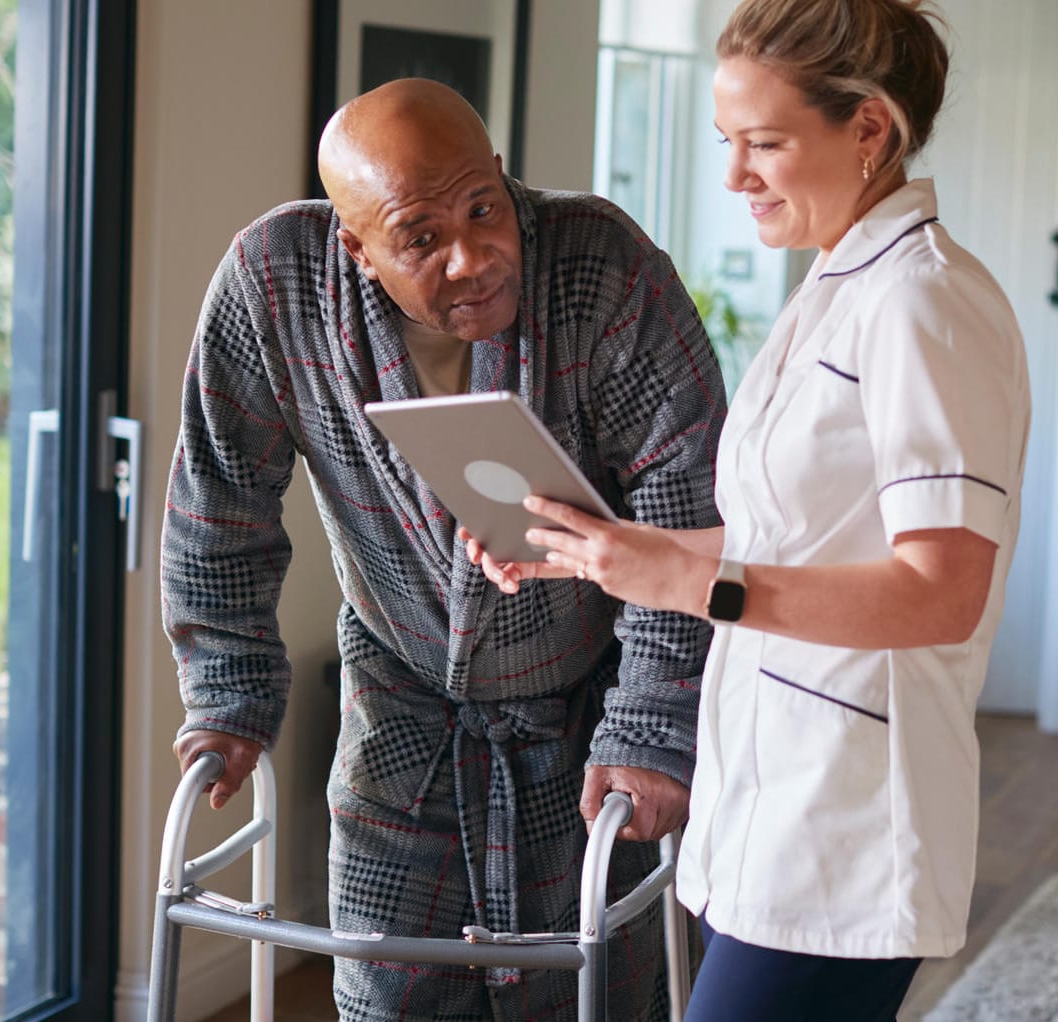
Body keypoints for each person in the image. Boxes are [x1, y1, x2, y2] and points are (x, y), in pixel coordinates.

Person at [467, 1, 1030, 1019]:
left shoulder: (923, 304)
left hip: (848, 819)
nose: (734, 175)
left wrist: (686, 579)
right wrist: (606, 551)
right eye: (727, 142)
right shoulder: (833, 289)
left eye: (764, 143)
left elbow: (943, 591)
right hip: (769, 799)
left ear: (868, 128)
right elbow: (796, 538)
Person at [160, 79, 726, 1021]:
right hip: (399, 700)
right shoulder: (275, 283)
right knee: (386, 991)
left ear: (504, 177)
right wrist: (227, 694)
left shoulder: (603, 267)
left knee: (595, 991)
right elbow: (221, 496)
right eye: (421, 238)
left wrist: (654, 726)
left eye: (484, 207)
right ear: (356, 248)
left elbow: (684, 503)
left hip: (590, 710)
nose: (472, 256)